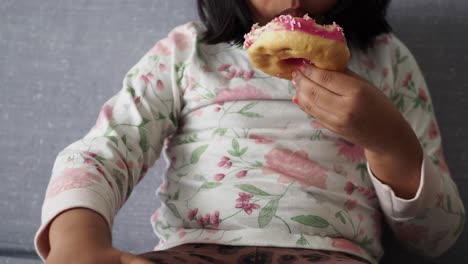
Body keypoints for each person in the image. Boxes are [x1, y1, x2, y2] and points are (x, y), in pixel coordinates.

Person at [35, 0, 465, 263]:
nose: (292, 0)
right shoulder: (188, 51)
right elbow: (105, 152)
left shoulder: (388, 61)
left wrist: (389, 143)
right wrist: (78, 240)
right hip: (194, 250)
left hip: (334, 254)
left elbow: (438, 236)